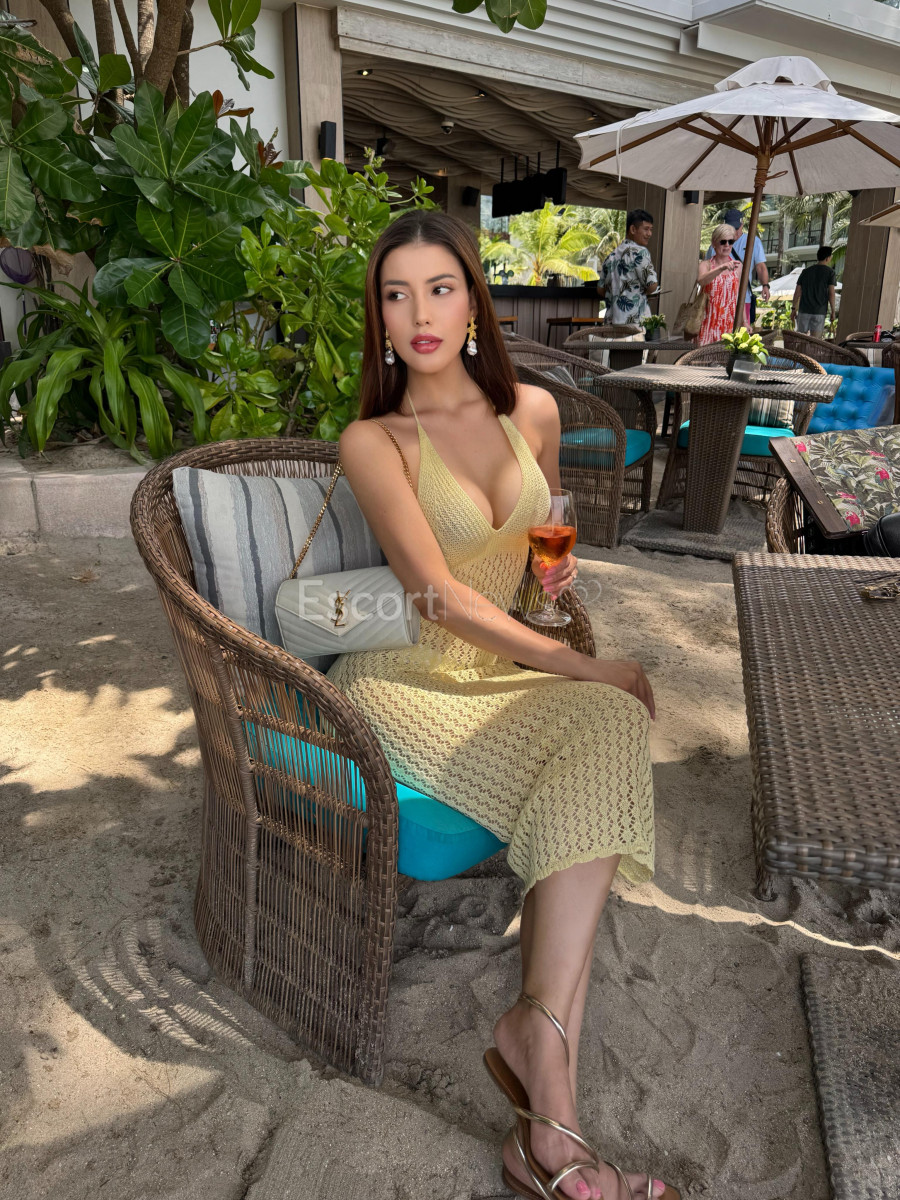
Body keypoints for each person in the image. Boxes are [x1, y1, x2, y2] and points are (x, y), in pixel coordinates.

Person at [330, 211, 677, 1200]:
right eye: (396, 294)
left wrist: (553, 579)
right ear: (379, 318)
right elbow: (437, 596)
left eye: (439, 289)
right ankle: (552, 1113)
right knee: (606, 706)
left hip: (502, 662)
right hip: (405, 679)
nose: (419, 313)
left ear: (473, 304)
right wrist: (580, 665)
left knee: (611, 723)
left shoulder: (534, 412)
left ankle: (537, 1055)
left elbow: (541, 553)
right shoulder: (375, 440)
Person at [705, 206, 770, 327]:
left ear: (742, 224)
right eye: (730, 227)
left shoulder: (753, 241)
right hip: (716, 299)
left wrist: (765, 285)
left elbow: (760, 266)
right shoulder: (714, 246)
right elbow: (706, 271)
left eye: (736, 227)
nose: (734, 231)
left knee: (740, 333)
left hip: (742, 297)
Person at [597, 207, 659, 325]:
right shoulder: (640, 253)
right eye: (646, 229)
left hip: (611, 323)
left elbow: (600, 290)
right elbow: (652, 285)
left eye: (651, 229)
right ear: (633, 229)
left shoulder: (611, 256)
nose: (649, 234)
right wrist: (639, 292)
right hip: (633, 322)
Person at [696, 223, 741, 344]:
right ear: (714, 243)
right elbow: (701, 281)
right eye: (723, 242)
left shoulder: (738, 266)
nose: (727, 245)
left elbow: (740, 296)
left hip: (728, 324)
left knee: (725, 355)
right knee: (703, 355)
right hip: (707, 322)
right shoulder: (706, 265)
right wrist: (721, 268)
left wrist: (745, 321)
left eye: (730, 242)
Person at [792, 246, 837, 336]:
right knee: (815, 341)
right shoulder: (830, 272)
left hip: (804, 311)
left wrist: (793, 309)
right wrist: (833, 311)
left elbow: (797, 292)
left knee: (801, 340)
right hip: (819, 312)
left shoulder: (805, 272)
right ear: (827, 258)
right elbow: (831, 294)